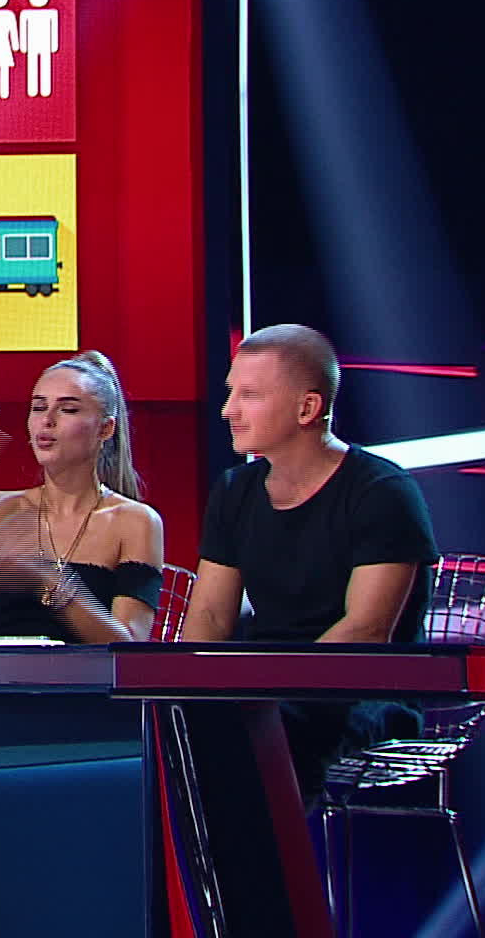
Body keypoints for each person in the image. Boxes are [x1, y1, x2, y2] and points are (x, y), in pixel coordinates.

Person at [179, 324, 437, 800]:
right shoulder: (234, 491)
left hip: (362, 693)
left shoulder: (382, 492)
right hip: (263, 690)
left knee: (261, 732)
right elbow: (210, 616)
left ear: (307, 408)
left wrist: (265, 690)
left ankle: (262, 849)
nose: (228, 410)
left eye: (249, 395)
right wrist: (185, 691)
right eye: (231, 393)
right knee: (171, 726)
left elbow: (365, 631)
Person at [0, 351, 164, 643]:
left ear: (105, 428)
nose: (47, 420)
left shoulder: (134, 521)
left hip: (81, 672)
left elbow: (130, 646)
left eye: (68, 409)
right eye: (39, 407)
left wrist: (51, 583)